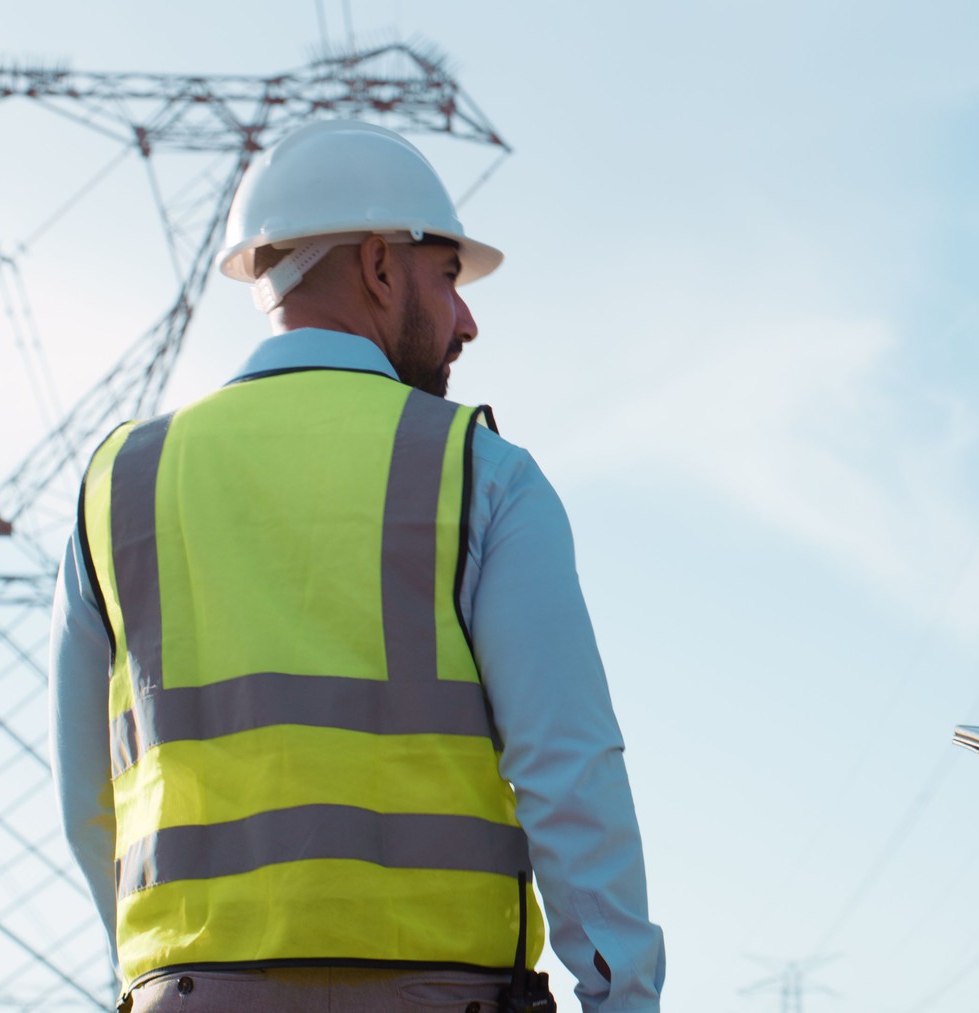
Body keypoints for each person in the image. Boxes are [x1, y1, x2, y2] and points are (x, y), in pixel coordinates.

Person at [49, 119, 665, 1013]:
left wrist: (177, 978)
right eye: (447, 276)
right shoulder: (481, 474)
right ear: (379, 266)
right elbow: (570, 768)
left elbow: (87, 804)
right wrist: (625, 997)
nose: (466, 319)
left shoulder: (120, 484)